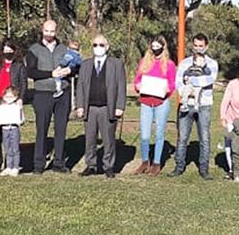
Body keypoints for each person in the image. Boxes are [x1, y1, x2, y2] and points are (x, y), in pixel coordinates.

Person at [74, 34, 127, 178]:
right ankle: (91, 165)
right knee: (90, 139)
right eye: (95, 45)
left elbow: (121, 86)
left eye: (101, 45)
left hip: (107, 107)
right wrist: (80, 105)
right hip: (90, 108)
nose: (98, 48)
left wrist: (120, 106)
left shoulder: (116, 64)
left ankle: (108, 166)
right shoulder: (85, 64)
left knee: (108, 139)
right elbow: (80, 86)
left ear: (107, 47)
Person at [26, 20, 73, 174]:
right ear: (42, 30)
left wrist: (70, 71)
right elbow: (30, 72)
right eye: (46, 31)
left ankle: (59, 163)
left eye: (52, 31)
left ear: (56, 31)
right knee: (42, 129)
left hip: (63, 92)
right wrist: (50, 74)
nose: (49, 34)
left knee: (61, 128)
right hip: (43, 93)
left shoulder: (64, 49)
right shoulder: (34, 49)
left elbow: (75, 66)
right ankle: (39, 164)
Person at [170, 34, 219, 179]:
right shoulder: (184, 63)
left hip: (204, 105)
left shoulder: (212, 63)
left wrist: (191, 81)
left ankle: (204, 168)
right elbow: (178, 81)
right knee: (182, 137)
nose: (198, 48)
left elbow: (209, 80)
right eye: (196, 45)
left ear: (206, 46)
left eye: (201, 46)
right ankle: (179, 166)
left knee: (204, 138)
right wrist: (185, 91)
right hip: (186, 104)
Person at [132, 36, 177, 175]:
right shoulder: (144, 62)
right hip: (146, 101)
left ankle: (156, 163)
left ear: (163, 48)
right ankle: (145, 161)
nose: (155, 49)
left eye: (158, 47)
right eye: (153, 47)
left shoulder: (169, 64)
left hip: (161, 102)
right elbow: (137, 80)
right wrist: (138, 86)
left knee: (159, 133)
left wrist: (167, 90)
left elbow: (172, 83)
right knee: (145, 135)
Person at [0, 39, 27, 174]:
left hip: (12, 102)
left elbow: (23, 84)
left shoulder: (19, 66)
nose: (8, 52)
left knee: (12, 134)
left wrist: (20, 99)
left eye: (10, 50)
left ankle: (13, 164)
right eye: (5, 50)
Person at [0, 85, 25, 176]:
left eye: (11, 97)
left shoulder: (17, 107)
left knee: (15, 149)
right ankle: (8, 166)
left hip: (14, 129)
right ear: (3, 97)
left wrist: (19, 116)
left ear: (16, 97)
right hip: (5, 129)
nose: (9, 99)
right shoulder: (1, 107)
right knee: (7, 149)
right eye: (7, 97)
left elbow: (22, 120)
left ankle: (15, 167)